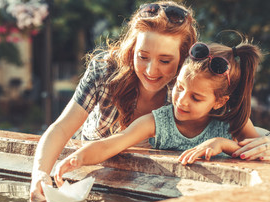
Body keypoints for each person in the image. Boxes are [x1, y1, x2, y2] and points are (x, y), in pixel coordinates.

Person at [30, 1, 198, 202]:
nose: (151, 71)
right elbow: (62, 128)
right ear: (132, 49)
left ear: (182, 59)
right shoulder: (104, 71)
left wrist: (244, 141)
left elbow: (225, 126)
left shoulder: (190, 87)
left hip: (151, 194)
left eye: (164, 61)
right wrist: (39, 174)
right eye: (143, 56)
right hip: (89, 183)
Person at [54, 40, 265, 186]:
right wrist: (77, 159)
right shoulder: (159, 121)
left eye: (196, 97)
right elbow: (114, 143)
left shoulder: (232, 122)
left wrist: (224, 144)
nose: (181, 101)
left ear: (219, 102)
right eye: (180, 88)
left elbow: (262, 156)